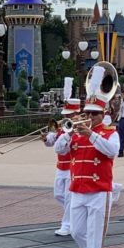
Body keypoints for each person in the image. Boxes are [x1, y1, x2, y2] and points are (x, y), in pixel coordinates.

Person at [54, 80, 120, 248]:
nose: (90, 117)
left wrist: (90, 134)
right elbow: (59, 149)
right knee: (76, 231)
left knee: (94, 232)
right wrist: (68, 133)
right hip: (78, 190)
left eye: (95, 114)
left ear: (103, 113)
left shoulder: (110, 132)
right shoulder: (76, 133)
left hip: (99, 190)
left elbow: (111, 151)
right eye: (88, 113)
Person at [43, 97, 82, 236]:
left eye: (69, 114)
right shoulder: (62, 127)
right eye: (65, 114)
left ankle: (67, 225)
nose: (65, 116)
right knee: (59, 195)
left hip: (72, 167)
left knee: (69, 197)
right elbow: (51, 143)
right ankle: (75, 213)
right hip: (61, 166)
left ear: (76, 113)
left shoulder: (79, 128)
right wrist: (46, 139)